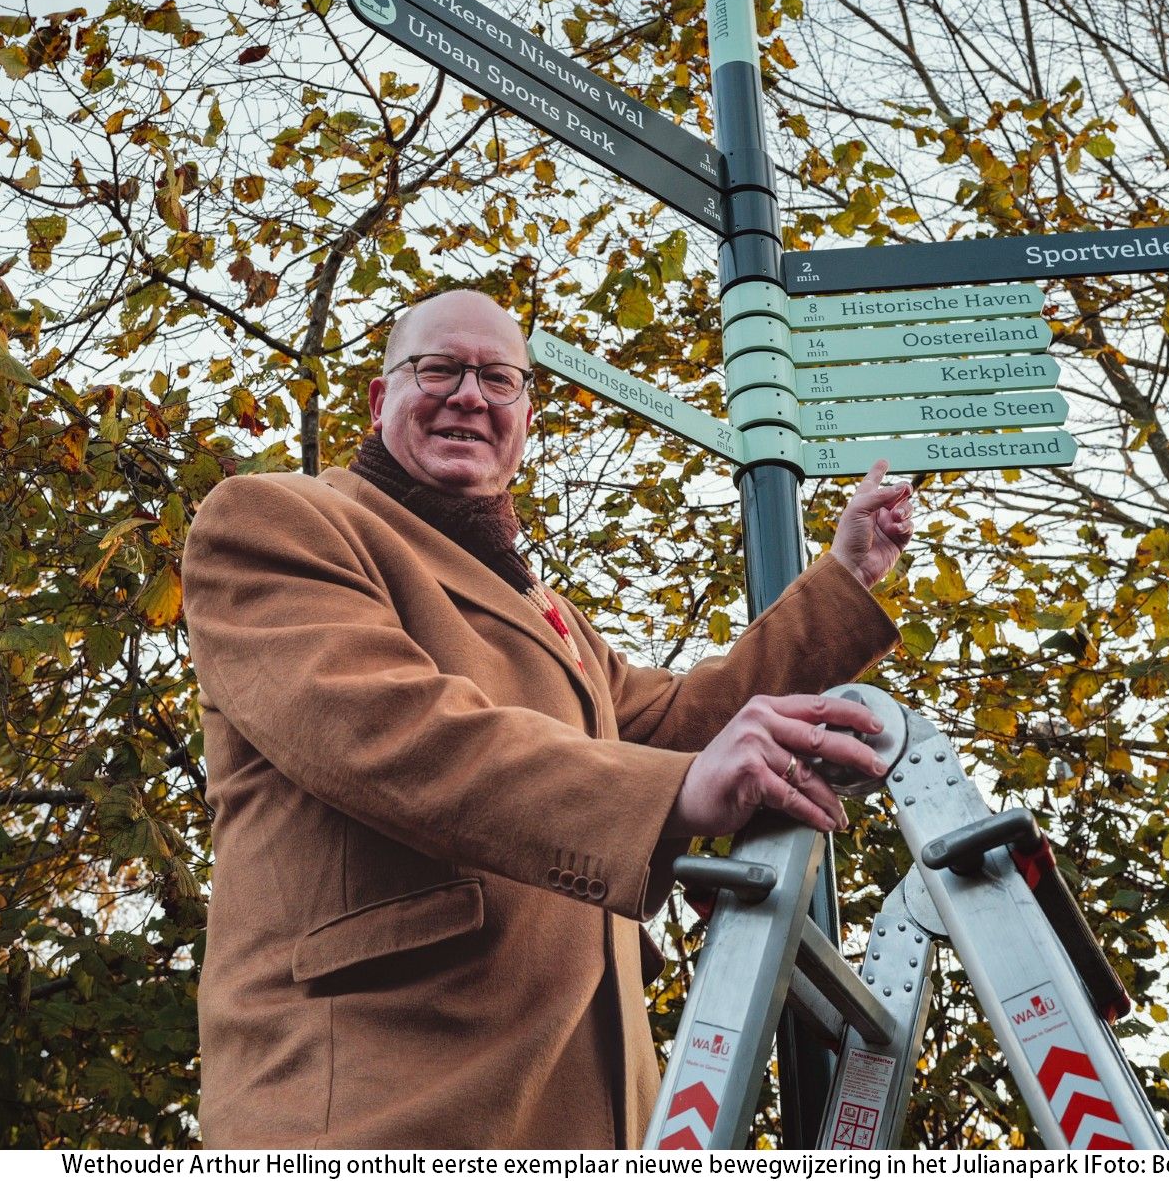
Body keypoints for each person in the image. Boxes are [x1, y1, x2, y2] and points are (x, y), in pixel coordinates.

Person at [182, 288, 915, 1148]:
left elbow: (683, 724)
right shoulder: (279, 520)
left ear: (524, 421)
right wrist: (680, 788)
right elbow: (386, 731)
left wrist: (844, 582)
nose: (469, 396)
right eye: (439, 369)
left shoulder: (545, 611)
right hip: (381, 1105)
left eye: (499, 379)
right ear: (382, 400)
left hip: (592, 1106)